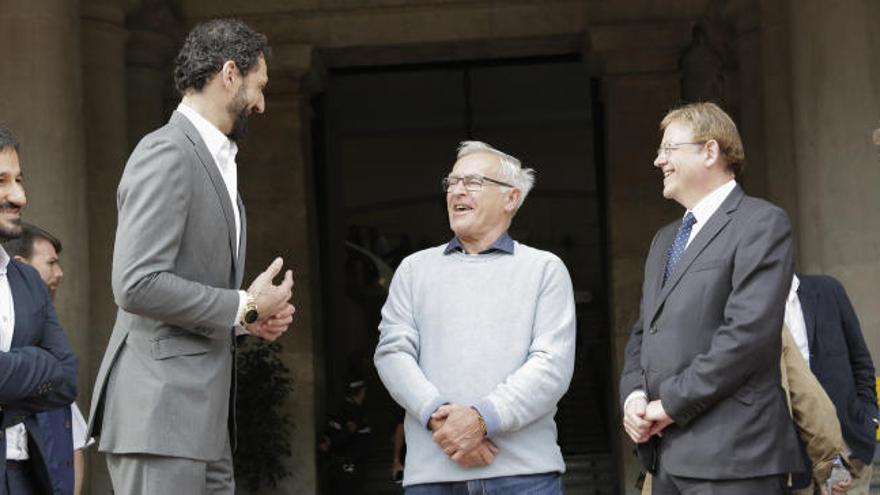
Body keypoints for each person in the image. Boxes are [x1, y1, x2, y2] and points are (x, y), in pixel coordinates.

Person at [87, 18, 296, 494]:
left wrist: (248, 319)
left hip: (203, 424)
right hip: (160, 417)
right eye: (259, 86)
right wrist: (242, 305)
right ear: (229, 74)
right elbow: (136, 283)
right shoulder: (166, 151)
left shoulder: (216, 158)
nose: (262, 103)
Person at [620, 102, 802, 493]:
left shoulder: (761, 223)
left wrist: (669, 404)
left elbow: (747, 335)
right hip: (665, 458)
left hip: (734, 458)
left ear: (710, 151)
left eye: (669, 150)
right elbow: (644, 331)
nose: (658, 161)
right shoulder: (664, 239)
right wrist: (633, 396)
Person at [374, 141, 576, 493]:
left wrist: (482, 420)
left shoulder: (544, 269)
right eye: (452, 183)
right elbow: (392, 353)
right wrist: (442, 418)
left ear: (511, 198)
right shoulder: (413, 270)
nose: (457, 191)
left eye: (473, 182)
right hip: (432, 477)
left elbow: (551, 365)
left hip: (524, 477)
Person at [0, 127, 79, 494]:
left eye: (19, 180)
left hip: (25, 478)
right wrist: (35, 363)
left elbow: (66, 379)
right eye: (1, 181)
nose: (19, 196)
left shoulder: (28, 281)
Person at [3, 224, 93, 495]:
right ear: (21, 267)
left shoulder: (48, 334)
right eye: (51, 263)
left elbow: (72, 441)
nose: (60, 273)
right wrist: (39, 364)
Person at [788, 274, 878, 494]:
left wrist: (869, 418)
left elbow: (861, 362)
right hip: (794, 467)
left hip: (850, 454)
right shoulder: (752, 309)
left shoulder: (827, 290)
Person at [322, 374, 371, 494]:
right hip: (346, 467)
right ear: (362, 391)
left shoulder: (358, 410)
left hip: (356, 465)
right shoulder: (346, 410)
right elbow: (332, 439)